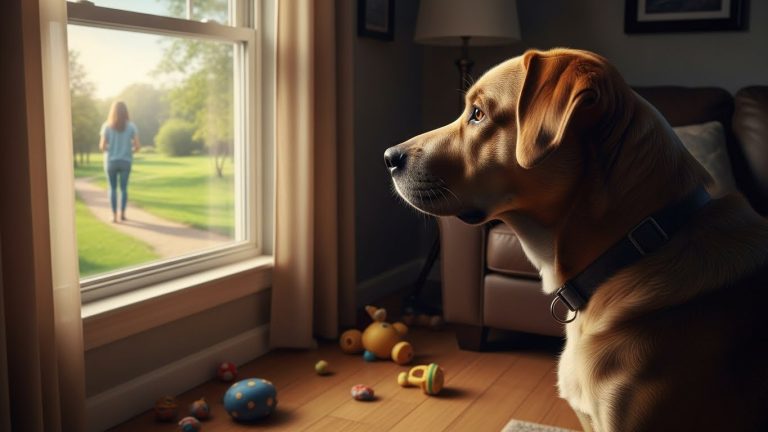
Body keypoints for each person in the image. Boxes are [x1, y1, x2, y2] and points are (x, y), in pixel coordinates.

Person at [99, 101, 140, 223]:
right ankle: (122, 214)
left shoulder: (106, 126)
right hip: (126, 162)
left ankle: (114, 216)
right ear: (126, 111)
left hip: (111, 162)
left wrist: (112, 149)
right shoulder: (132, 126)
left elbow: (102, 146)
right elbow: (138, 147)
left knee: (112, 188)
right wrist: (128, 150)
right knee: (123, 188)